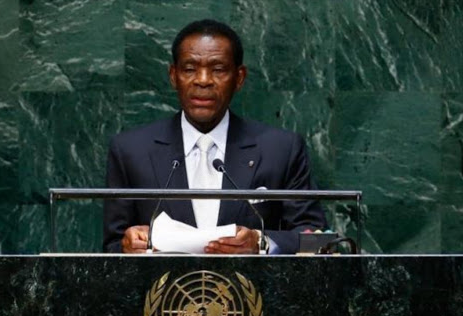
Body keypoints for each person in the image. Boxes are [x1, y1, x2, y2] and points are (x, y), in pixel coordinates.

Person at [103, 19, 327, 254]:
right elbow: (111, 247)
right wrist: (128, 246)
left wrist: (261, 242)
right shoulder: (131, 150)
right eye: (189, 69)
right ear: (173, 75)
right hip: (162, 290)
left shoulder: (281, 149)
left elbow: (316, 239)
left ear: (239, 78)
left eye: (218, 69)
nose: (203, 80)